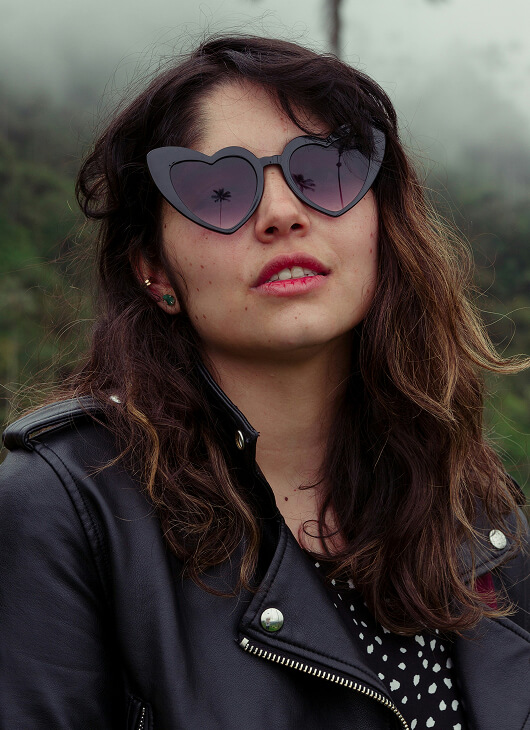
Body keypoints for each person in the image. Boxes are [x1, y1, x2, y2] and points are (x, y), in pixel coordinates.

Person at [0, 35, 528, 730]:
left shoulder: (474, 506)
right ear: (153, 268)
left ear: (380, 221)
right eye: (218, 190)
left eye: (325, 172)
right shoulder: (66, 511)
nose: (281, 213)